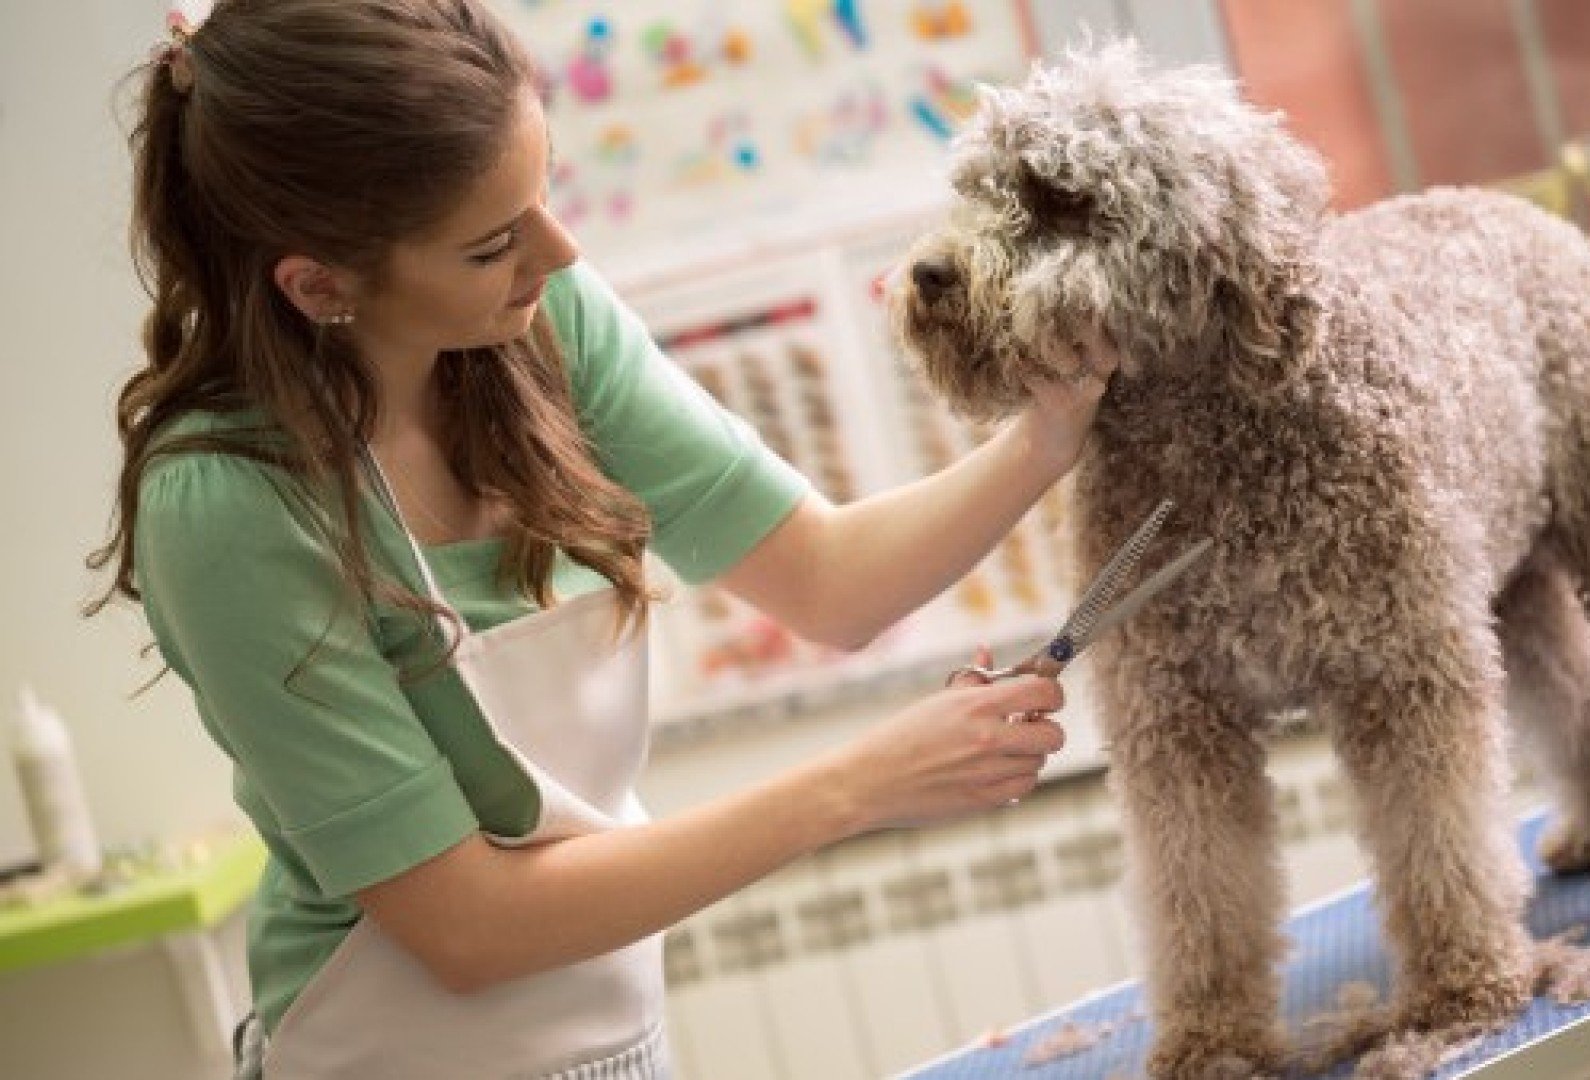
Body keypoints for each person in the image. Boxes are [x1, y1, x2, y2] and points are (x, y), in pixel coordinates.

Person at [86, 2, 1114, 1077]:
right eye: (494, 243)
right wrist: (857, 786)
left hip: (615, 1041)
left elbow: (828, 579)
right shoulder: (228, 504)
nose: (559, 250)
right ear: (320, 284)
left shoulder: (533, 324)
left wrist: (1048, 431)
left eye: (544, 193)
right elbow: (468, 927)